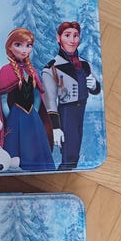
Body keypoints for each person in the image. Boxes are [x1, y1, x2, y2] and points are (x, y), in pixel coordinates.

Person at [41, 21, 101, 170]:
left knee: (75, 152)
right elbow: (50, 101)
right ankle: (63, 174)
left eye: (76, 36)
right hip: (67, 112)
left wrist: (94, 85)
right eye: (67, 35)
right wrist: (56, 127)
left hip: (82, 110)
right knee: (69, 155)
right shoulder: (51, 68)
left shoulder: (84, 64)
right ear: (59, 38)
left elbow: (95, 89)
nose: (72, 40)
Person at [0, 28, 55, 171]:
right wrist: (11, 117)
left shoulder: (31, 70)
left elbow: (37, 95)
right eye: (18, 45)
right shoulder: (5, 70)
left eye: (28, 46)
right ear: (9, 47)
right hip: (16, 116)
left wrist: (35, 111)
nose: (24, 50)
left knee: (35, 145)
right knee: (16, 148)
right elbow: (3, 99)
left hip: (32, 116)